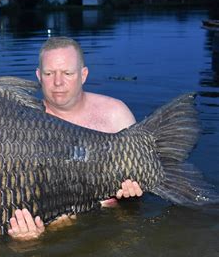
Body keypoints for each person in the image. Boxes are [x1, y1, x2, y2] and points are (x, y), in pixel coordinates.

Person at [8, 37, 143, 240]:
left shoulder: (115, 114)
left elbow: (143, 181)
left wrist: (134, 193)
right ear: (38, 76)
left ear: (83, 75)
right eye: (49, 73)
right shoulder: (22, 125)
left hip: (113, 222)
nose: (58, 82)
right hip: (57, 229)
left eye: (67, 73)